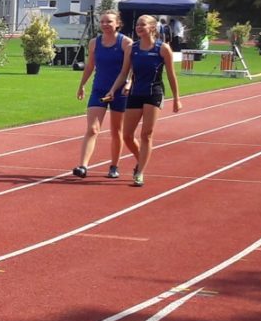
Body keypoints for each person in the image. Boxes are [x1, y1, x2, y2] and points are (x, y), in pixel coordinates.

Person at [107, 14, 181, 188]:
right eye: (137, 25)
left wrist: (176, 98)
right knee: (127, 135)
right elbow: (124, 73)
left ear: (152, 28)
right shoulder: (132, 48)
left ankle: (139, 172)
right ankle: (142, 159)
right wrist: (113, 89)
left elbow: (171, 75)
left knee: (146, 134)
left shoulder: (163, 48)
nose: (139, 27)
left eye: (143, 24)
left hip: (153, 93)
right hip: (135, 93)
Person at [72, 10, 131, 178]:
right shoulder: (94, 43)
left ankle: (114, 166)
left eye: (109, 21)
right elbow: (90, 66)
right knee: (92, 128)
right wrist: (82, 85)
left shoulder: (126, 43)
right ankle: (83, 166)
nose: (105, 24)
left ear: (117, 23)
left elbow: (129, 69)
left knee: (116, 130)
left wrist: (126, 84)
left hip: (119, 92)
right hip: (99, 89)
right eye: (102, 21)